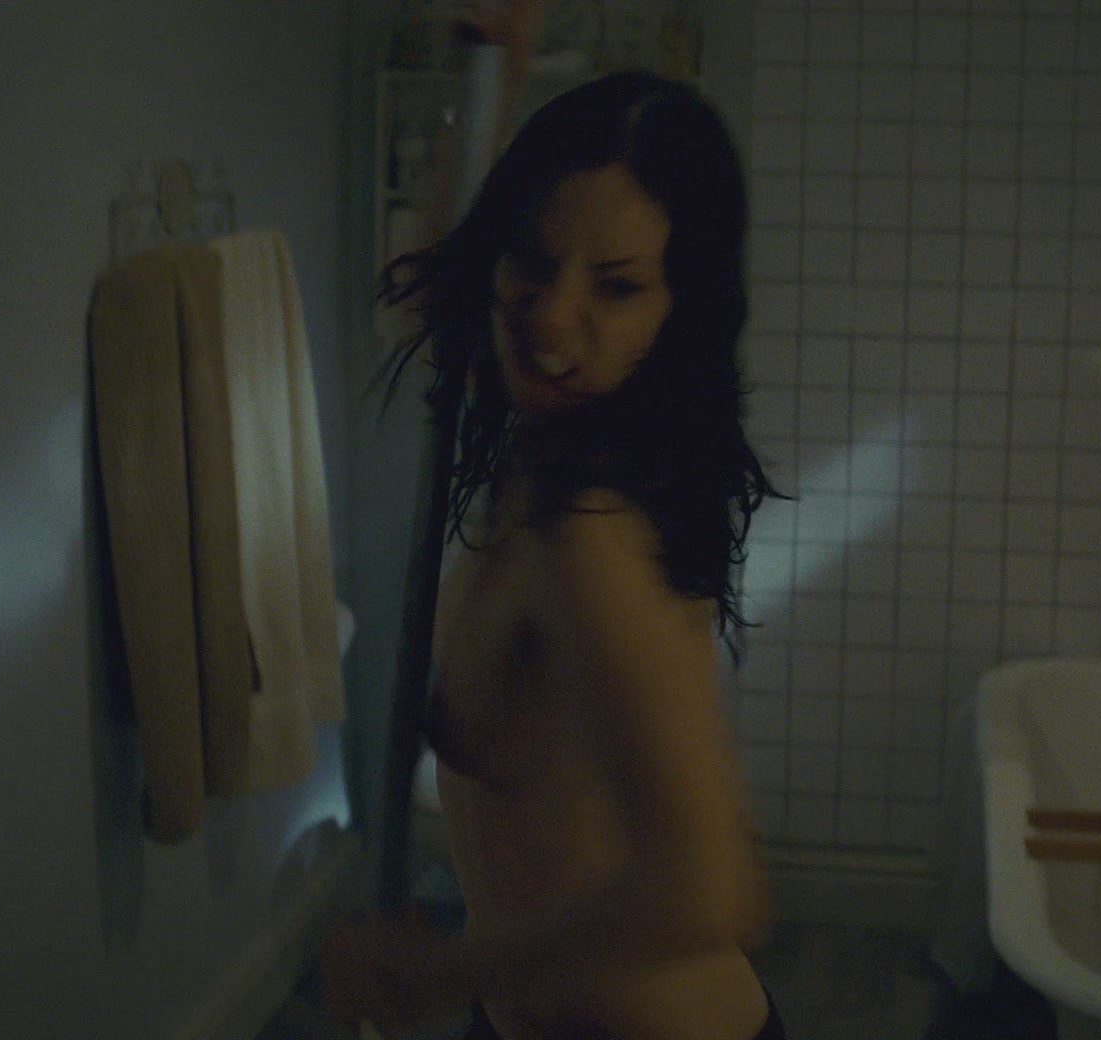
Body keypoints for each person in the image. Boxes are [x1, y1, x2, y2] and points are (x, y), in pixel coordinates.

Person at [315, 4, 788, 1039]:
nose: (550, 320)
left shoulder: (592, 531)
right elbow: (434, 300)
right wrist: (492, 74)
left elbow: (709, 888)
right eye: (531, 261)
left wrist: (436, 973)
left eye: (616, 288)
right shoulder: (546, 431)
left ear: (680, 309)